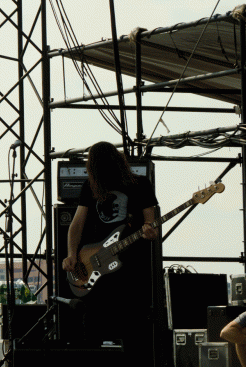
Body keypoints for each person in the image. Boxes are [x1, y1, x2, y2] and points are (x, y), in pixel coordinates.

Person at [61, 141, 159, 350]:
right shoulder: (91, 186)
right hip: (97, 265)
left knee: (133, 324)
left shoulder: (140, 185)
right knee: (93, 324)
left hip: (131, 266)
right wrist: (71, 254)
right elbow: (76, 225)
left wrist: (149, 230)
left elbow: (150, 221)